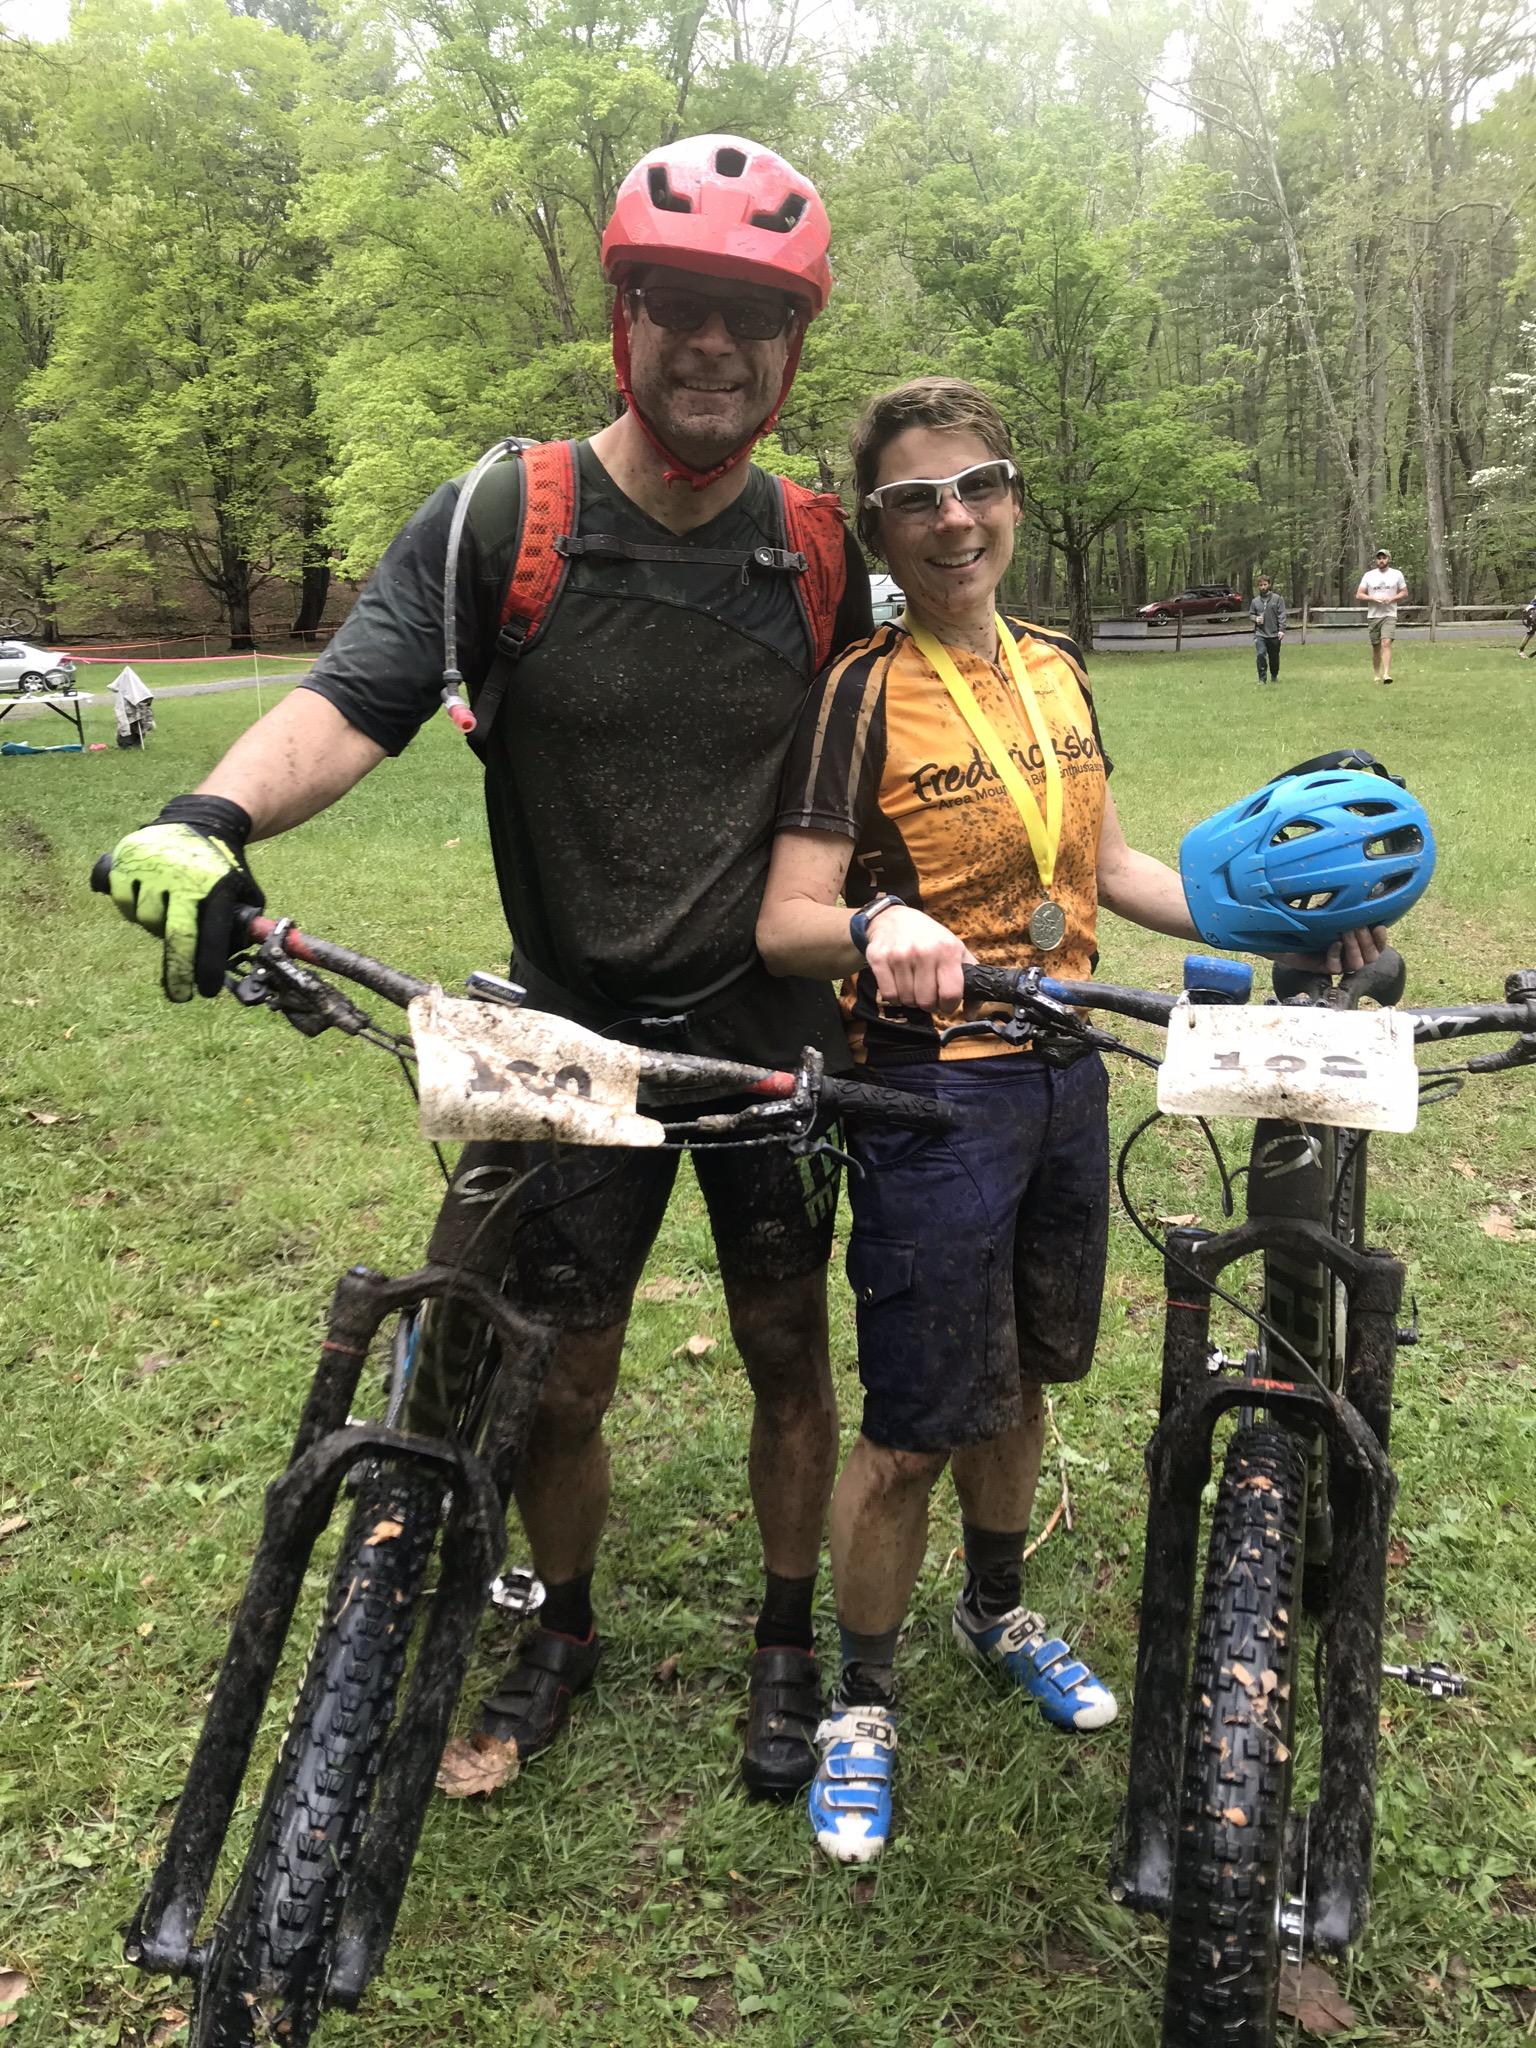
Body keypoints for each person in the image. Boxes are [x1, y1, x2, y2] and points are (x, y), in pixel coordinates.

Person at [99, 134, 875, 1800]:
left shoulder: (820, 554)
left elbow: (899, 749)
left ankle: (790, 1634)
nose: (715, 346)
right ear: (624, 313)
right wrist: (207, 811)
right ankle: (567, 1621)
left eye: (754, 314)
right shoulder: (504, 516)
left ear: (793, 342)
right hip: (565, 1024)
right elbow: (353, 696)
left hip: (766, 1030)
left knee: (787, 1347)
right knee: (556, 1376)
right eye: (680, 303)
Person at [755, 377, 1386, 1864]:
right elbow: (786, 917)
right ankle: (862, 1701)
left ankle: (994, 1611)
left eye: (977, 485)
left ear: (1015, 500)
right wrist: (878, 924)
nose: (954, 517)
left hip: (1065, 1074)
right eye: (917, 499)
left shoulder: (1055, 663)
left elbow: (1100, 868)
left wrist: (1292, 916)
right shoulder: (860, 689)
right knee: (916, 1423)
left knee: (1030, 1380)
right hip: (931, 1089)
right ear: (882, 529)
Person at [1355, 547, 1408, 684]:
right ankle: (1376, 674)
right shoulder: (1369, 575)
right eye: (1379, 558)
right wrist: (1373, 599)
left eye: (1384, 558)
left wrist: (1392, 599)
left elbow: (1404, 592)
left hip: (1389, 613)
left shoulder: (1397, 574)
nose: (1381, 560)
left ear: (1388, 559)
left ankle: (1386, 674)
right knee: (1376, 646)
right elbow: (1359, 594)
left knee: (1386, 642)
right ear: (1376, 560)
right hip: (1373, 615)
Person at [1248, 574, 1286, 684]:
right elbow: (1250, 615)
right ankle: (1262, 679)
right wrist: (1256, 618)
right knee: (1260, 654)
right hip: (1260, 634)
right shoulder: (1255, 601)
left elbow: (1282, 615)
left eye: (1265, 584)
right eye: (1260, 585)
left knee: (1274, 657)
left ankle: (1274, 676)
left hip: (1274, 634)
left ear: (1269, 585)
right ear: (1258, 586)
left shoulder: (1277, 599)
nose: (1263, 587)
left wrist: (1281, 630)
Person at [1517, 594, 1536, 659]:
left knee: (1531, 633)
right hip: (1532, 612)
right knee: (1531, 633)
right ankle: (1520, 651)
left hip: (1531, 612)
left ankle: (1521, 651)